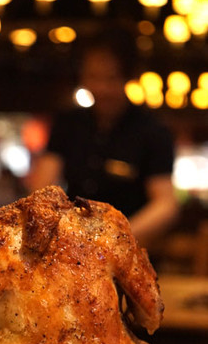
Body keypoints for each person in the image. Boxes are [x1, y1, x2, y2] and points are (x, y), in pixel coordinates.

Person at [27, 28, 179, 248]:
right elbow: (40, 188)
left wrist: (114, 239)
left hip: (127, 247)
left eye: (111, 78)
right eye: (93, 77)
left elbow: (166, 205)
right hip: (72, 246)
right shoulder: (68, 124)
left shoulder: (152, 131)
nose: (101, 88)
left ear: (129, 77)